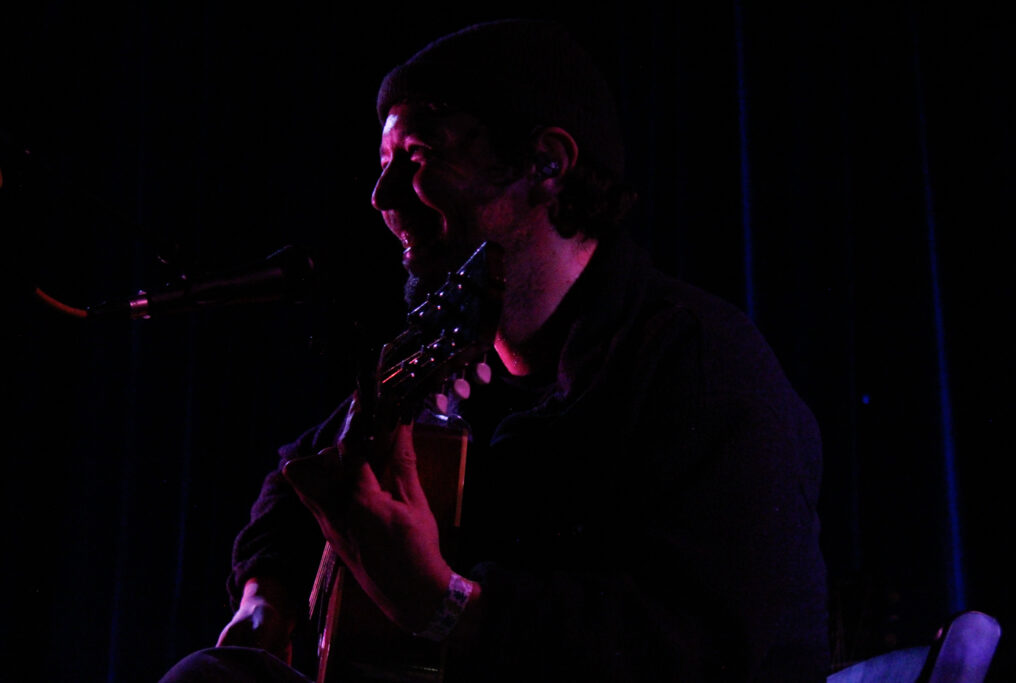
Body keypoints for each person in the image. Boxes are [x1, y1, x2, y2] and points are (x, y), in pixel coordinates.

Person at [160, 18, 829, 682]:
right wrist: (265, 593)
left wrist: (443, 601)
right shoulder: (445, 355)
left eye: (418, 157)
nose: (382, 196)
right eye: (384, 164)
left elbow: (691, 646)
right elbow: (303, 473)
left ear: (546, 164)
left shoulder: (697, 363)